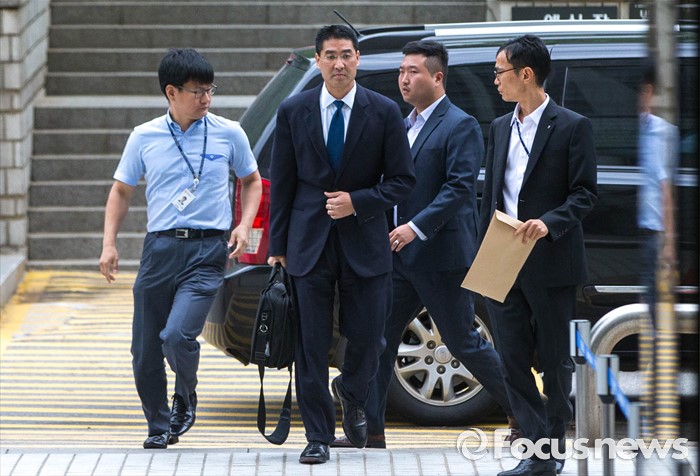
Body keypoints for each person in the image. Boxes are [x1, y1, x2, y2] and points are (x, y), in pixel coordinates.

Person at [331, 39, 517, 449]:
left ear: (437, 77)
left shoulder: (460, 124)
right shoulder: (402, 125)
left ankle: (521, 410)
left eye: (412, 71)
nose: (403, 79)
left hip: (440, 255)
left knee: (462, 341)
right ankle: (370, 431)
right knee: (379, 340)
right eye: (401, 71)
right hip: (397, 256)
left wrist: (415, 227)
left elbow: (459, 188)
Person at [99, 48, 262, 449]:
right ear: (171, 92)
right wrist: (109, 244)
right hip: (160, 249)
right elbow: (121, 191)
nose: (206, 98)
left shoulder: (229, 132)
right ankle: (158, 426)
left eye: (210, 90)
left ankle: (185, 395)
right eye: (197, 91)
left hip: (207, 251)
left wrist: (244, 224)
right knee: (144, 348)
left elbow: (252, 181)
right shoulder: (144, 136)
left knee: (176, 335)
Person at [267, 25, 415, 464]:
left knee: (369, 339)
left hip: (365, 239)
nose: (338, 63)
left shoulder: (383, 111)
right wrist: (278, 245)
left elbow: (403, 180)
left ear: (357, 60)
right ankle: (317, 435)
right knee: (310, 344)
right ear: (317, 61)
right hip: (307, 242)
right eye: (330, 55)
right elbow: (283, 182)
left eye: (346, 54)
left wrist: (359, 201)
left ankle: (351, 392)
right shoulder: (293, 110)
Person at [478, 35, 597, 476]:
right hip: (502, 256)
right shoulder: (499, 127)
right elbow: (491, 192)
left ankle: (551, 451)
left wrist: (550, 222)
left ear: (525, 74)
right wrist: (482, 248)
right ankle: (536, 450)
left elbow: (585, 193)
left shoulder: (571, 126)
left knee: (553, 361)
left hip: (550, 258)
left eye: (500, 72)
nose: (495, 80)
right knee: (510, 359)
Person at [637, 58, 678, 326]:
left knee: (655, 307)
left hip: (653, 235)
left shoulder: (662, 133)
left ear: (647, 92)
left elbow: (667, 190)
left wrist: (669, 243)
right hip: (631, 236)